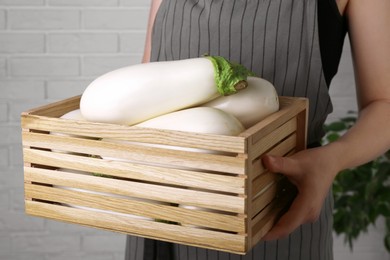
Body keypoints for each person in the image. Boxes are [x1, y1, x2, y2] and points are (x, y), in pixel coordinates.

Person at [125, 0, 390, 259]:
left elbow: (384, 103)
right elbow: (150, 84)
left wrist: (333, 159)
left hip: (276, 210)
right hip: (160, 206)